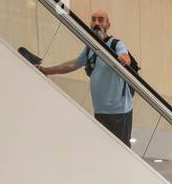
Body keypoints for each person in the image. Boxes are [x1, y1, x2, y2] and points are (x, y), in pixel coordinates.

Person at [40, 9, 134, 146]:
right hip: (100, 109)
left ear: (108, 24)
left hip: (119, 110)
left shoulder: (116, 44)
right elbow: (73, 64)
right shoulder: (90, 47)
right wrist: (46, 70)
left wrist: (124, 58)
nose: (96, 23)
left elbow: (125, 55)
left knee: (121, 149)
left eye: (100, 19)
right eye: (93, 19)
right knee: (104, 149)